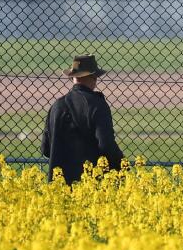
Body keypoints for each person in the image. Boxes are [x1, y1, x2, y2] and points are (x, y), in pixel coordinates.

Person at [41, 54, 125, 184]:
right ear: (93, 77)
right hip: (90, 185)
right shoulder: (97, 104)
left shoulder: (57, 106)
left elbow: (46, 149)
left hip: (58, 187)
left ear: (73, 77)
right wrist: (122, 166)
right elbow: (106, 144)